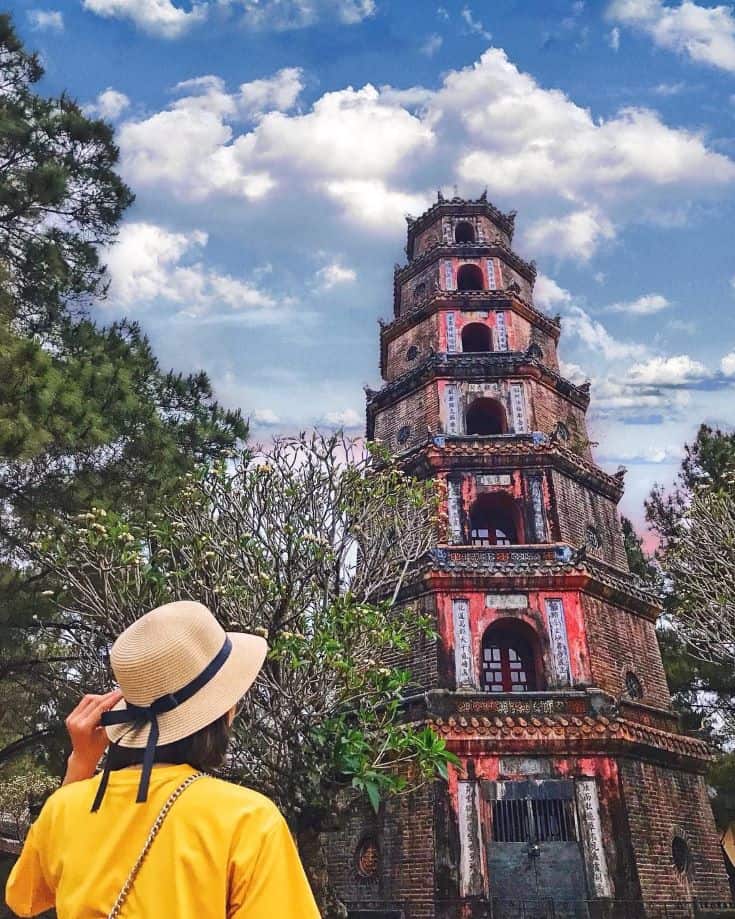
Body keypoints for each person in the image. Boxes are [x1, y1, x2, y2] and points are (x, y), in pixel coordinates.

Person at [5, 600, 321, 918]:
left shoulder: (66, 808)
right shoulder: (249, 821)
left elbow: (25, 897)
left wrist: (80, 764)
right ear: (225, 710)